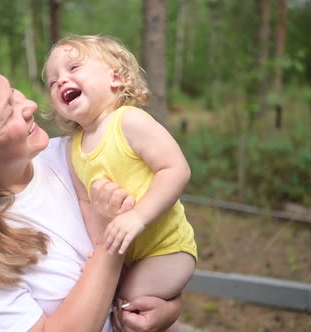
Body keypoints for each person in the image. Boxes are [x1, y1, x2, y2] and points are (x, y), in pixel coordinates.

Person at [0, 54, 181, 331]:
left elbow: (161, 243)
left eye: (12, 92)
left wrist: (168, 308)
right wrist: (109, 243)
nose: (31, 105)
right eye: (8, 113)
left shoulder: (80, 155)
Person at [43, 35, 198, 319]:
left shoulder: (128, 121)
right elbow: (86, 204)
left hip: (167, 251)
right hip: (126, 257)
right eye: (53, 82)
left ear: (114, 78)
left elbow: (176, 169)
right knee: (103, 293)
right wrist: (99, 245)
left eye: (74, 68)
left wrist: (136, 217)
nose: (62, 81)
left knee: (119, 303)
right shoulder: (74, 149)